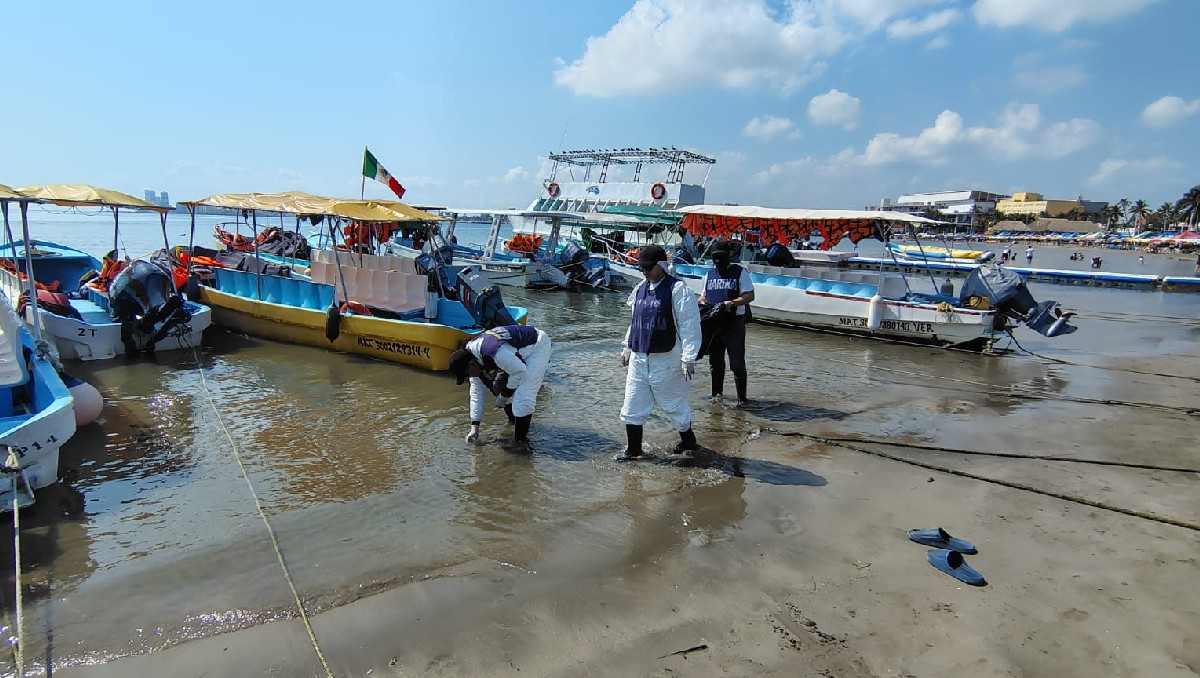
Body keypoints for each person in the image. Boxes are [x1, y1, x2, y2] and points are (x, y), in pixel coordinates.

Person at [617, 245, 702, 461]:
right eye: (642, 268)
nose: (645, 272)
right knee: (633, 404)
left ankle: (688, 440)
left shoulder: (678, 290)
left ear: (661, 265)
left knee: (673, 405)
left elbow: (689, 324)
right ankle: (634, 451)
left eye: (649, 267)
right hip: (639, 357)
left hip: (667, 358)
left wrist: (688, 357)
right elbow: (635, 320)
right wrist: (628, 345)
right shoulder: (639, 289)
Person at [449, 324, 552, 453]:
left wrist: (505, 394)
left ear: (471, 364)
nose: (469, 377)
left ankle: (520, 444)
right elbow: (476, 393)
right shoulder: (472, 357)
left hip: (537, 346)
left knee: (523, 396)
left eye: (467, 374)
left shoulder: (493, 352)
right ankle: (514, 422)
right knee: (497, 386)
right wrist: (474, 427)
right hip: (513, 354)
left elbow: (520, 372)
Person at [697, 240, 755, 407]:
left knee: (736, 364)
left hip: (733, 324)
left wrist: (732, 303)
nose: (718, 261)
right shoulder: (709, 274)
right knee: (715, 363)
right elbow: (703, 296)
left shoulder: (739, 272)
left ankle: (742, 400)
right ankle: (716, 396)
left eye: (721, 257)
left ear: (728, 257)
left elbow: (749, 295)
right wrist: (700, 302)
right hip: (714, 324)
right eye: (715, 258)